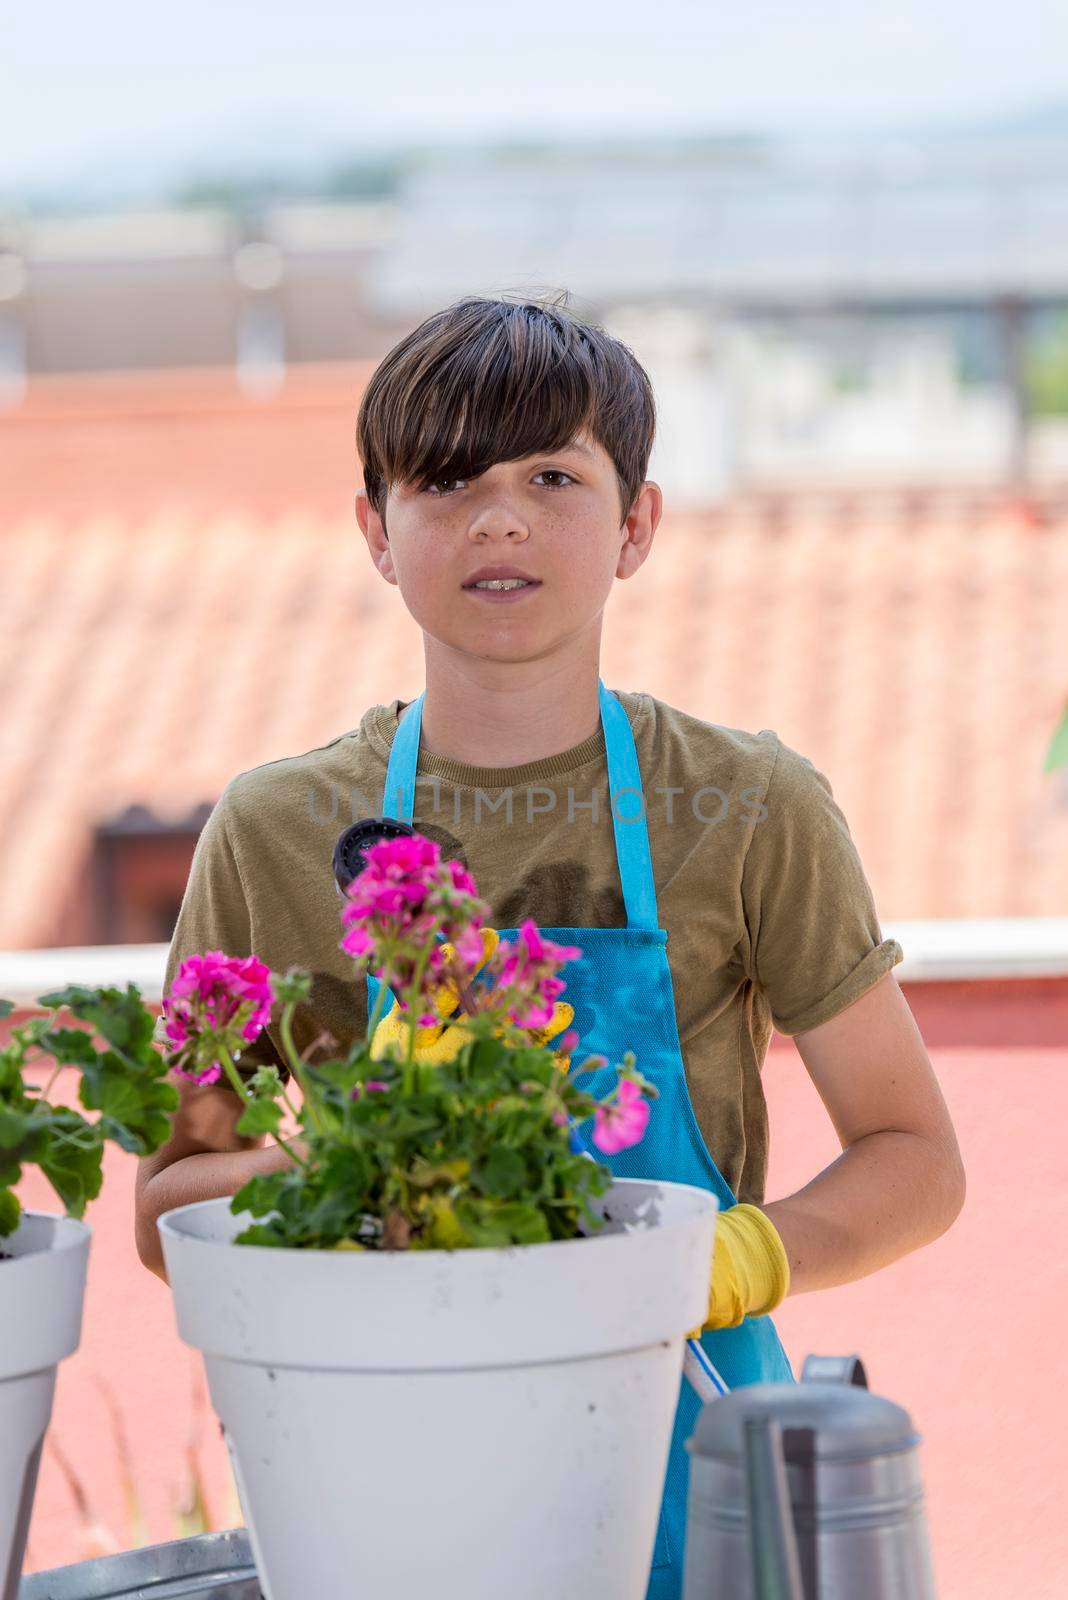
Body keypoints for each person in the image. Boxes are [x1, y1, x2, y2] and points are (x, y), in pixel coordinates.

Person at [136, 294, 966, 1600]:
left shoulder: (748, 806)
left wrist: (724, 1260)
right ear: (375, 528)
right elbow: (167, 1202)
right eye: (448, 479)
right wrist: (344, 1189)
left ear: (636, 524)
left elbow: (918, 1163)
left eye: (553, 476)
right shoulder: (280, 828)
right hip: (387, 1467)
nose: (501, 518)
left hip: (696, 1446)